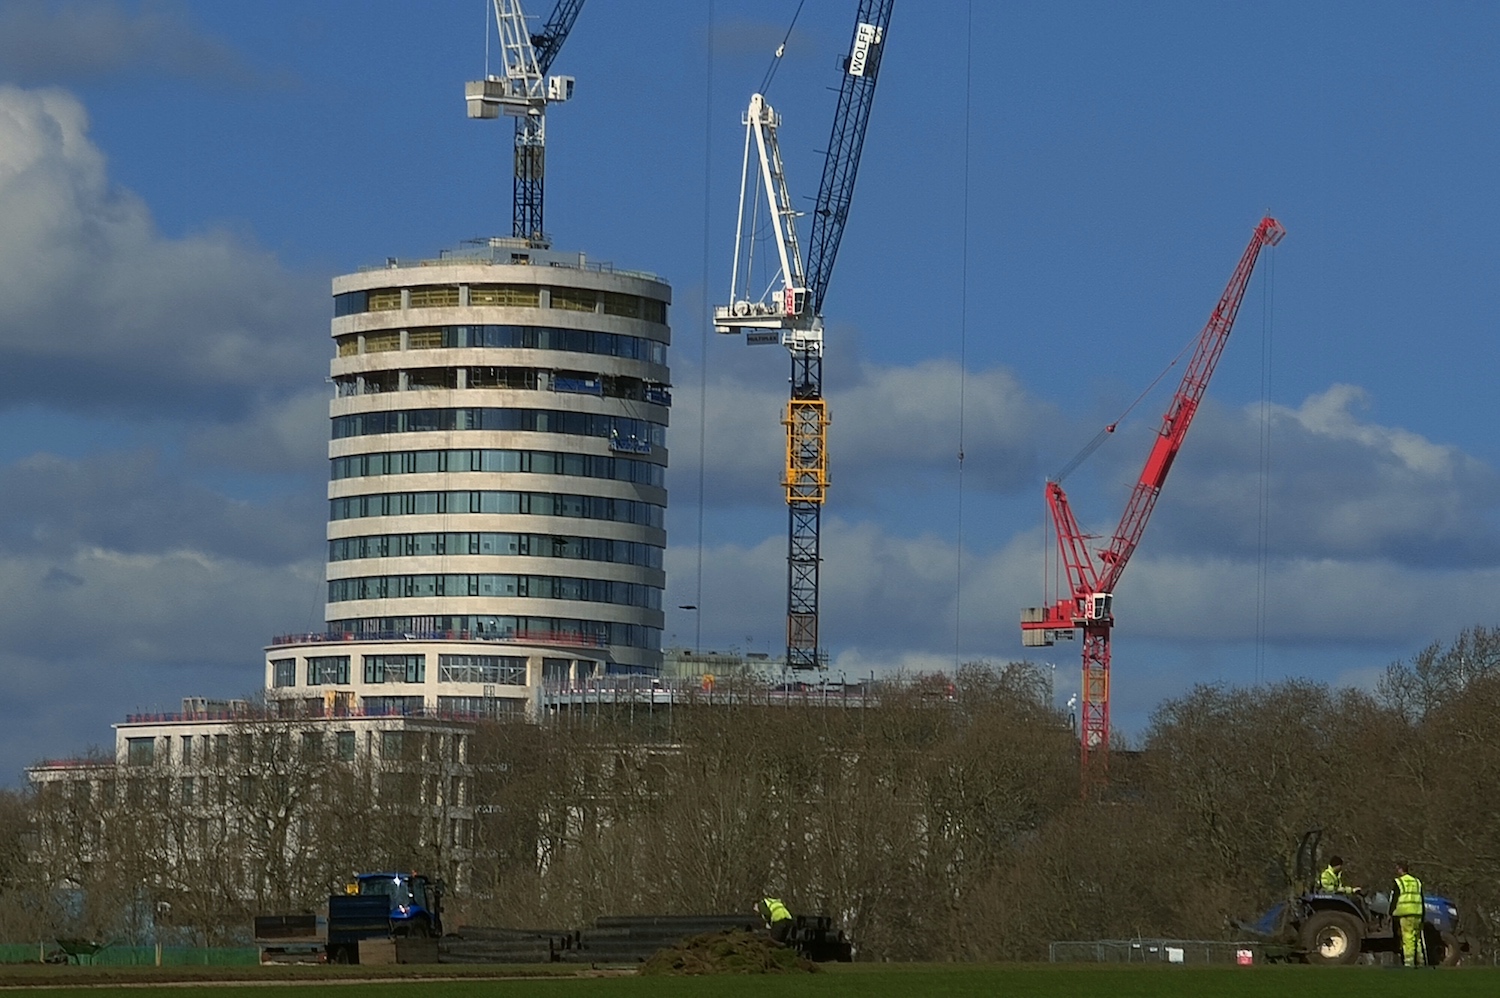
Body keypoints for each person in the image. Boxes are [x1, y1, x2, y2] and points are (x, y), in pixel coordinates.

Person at [1390, 861, 1426, 967]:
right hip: (1418, 913)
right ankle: (1421, 961)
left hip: (1405, 913)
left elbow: (1395, 898)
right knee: (1417, 938)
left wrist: (1391, 911)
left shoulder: (1399, 882)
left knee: (1408, 938)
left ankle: (1409, 962)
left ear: (1401, 869)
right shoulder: (1417, 882)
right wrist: (1423, 914)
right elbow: (1422, 898)